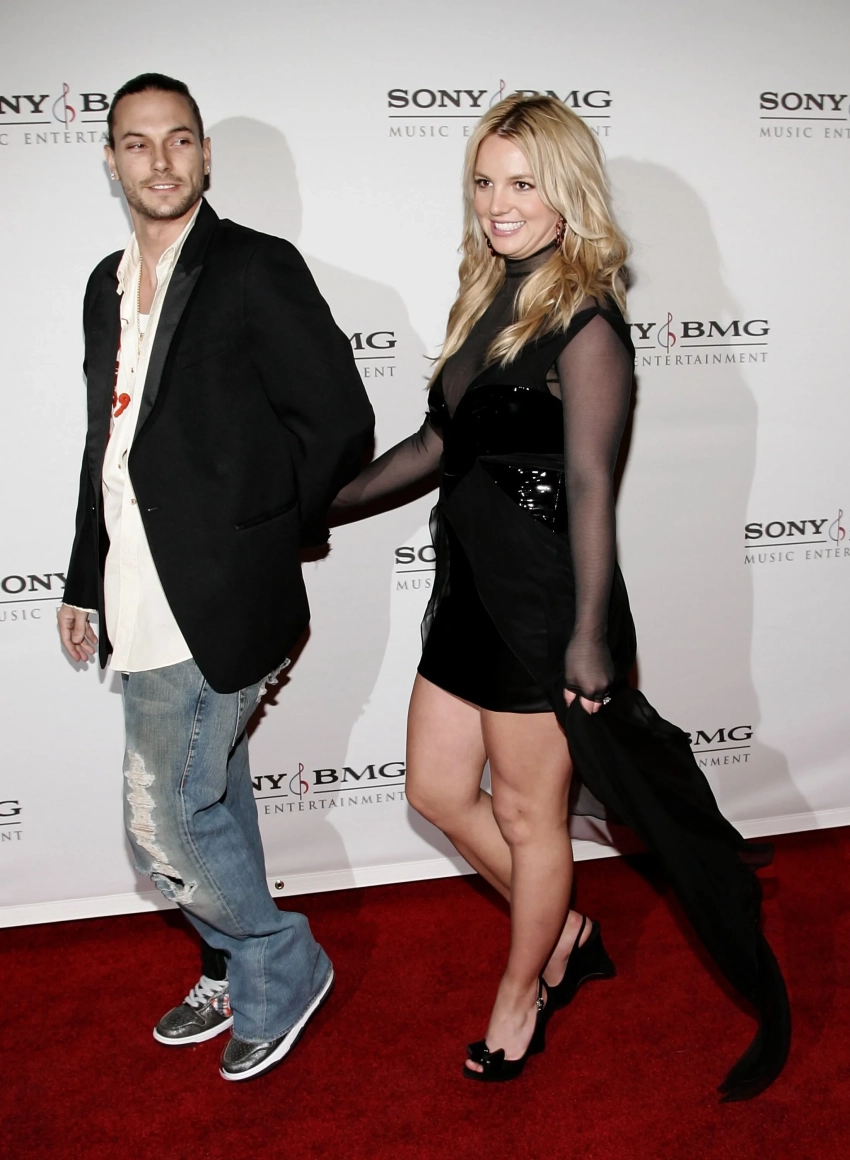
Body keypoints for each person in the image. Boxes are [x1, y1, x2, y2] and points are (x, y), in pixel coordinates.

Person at [333, 94, 790, 1099]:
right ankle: (568, 931)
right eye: (484, 181)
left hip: (544, 607)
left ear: (567, 191)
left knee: (529, 818)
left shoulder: (586, 323)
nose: (499, 203)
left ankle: (521, 993)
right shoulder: (483, 300)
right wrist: (319, 507)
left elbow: (590, 482)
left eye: (523, 183)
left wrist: (588, 637)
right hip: (468, 592)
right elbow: (437, 445)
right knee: (435, 791)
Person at [57, 73, 374, 1082]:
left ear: (204, 154)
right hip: (135, 589)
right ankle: (231, 962)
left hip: (219, 596)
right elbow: (107, 447)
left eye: (179, 139)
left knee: (164, 823)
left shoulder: (253, 266)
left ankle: (280, 962)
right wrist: (83, 576)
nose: (160, 160)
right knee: (212, 794)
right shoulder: (103, 284)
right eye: (137, 142)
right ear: (111, 159)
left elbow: (340, 423)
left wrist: (264, 537)